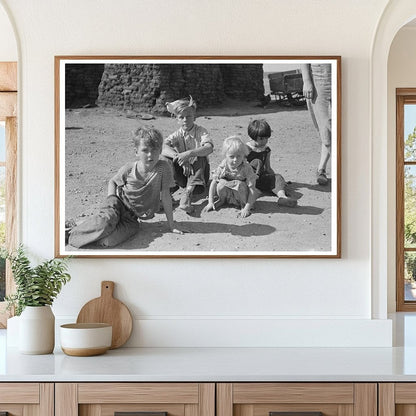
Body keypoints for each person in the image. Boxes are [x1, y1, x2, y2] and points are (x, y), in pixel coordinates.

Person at [68, 126, 181, 248]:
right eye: (145, 150)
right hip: (118, 205)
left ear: (160, 150)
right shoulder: (129, 168)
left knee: (109, 241)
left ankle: (87, 229)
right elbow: (113, 181)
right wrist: (111, 198)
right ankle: (69, 233)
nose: (150, 155)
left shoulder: (163, 168)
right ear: (136, 151)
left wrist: (172, 225)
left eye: (154, 150)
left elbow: (166, 196)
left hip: (132, 218)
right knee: (107, 220)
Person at [162, 96, 213, 213]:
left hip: (199, 174)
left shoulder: (201, 131)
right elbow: (163, 148)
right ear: (177, 120)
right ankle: (166, 192)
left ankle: (188, 195)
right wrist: (180, 158)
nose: (185, 120)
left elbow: (209, 148)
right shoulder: (176, 134)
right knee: (165, 158)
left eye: (188, 116)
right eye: (181, 117)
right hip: (184, 174)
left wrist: (189, 154)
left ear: (194, 117)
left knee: (199, 157)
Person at [203, 136, 258, 218]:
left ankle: (243, 205)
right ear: (226, 155)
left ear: (244, 155)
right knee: (221, 184)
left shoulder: (246, 168)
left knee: (240, 185)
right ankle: (222, 200)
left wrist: (247, 208)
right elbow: (214, 182)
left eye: (239, 156)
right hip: (228, 192)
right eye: (232, 157)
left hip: (241, 194)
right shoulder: (224, 164)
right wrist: (210, 202)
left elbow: (253, 190)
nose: (235, 160)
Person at [246, 119, 297, 207]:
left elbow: (268, 168)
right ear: (252, 136)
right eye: (261, 139)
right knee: (257, 162)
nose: (264, 141)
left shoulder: (266, 150)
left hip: (260, 179)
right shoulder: (245, 149)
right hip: (247, 180)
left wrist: (277, 180)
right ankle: (250, 193)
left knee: (278, 177)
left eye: (266, 138)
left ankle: (282, 197)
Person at [300, 63, 332, 185]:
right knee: (326, 129)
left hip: (344, 75)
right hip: (320, 80)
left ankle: (321, 168)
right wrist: (307, 80)